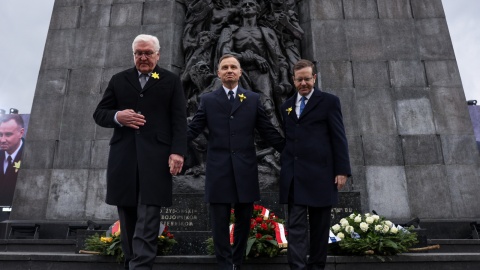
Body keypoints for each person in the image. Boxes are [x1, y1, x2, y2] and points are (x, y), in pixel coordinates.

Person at [93, 34, 187, 270]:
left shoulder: (169, 80)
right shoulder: (119, 79)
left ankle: (141, 265)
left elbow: (179, 121)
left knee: (149, 211)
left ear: (158, 54)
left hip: (156, 157)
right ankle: (131, 261)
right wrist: (118, 116)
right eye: (139, 53)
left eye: (148, 53)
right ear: (133, 54)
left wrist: (178, 152)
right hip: (124, 157)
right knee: (127, 212)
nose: (143, 57)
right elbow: (100, 113)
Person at [187, 54, 284, 269]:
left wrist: (289, 150)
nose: (229, 70)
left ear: (240, 72)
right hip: (218, 170)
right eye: (225, 67)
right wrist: (172, 148)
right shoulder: (208, 100)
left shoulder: (252, 99)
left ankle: (237, 263)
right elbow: (193, 129)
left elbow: (268, 131)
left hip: (245, 170)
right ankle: (224, 264)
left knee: (243, 221)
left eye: (233, 67)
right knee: (219, 222)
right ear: (219, 73)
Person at [279, 59, 351, 270]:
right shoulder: (286, 107)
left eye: (307, 79)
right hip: (296, 177)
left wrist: (342, 170)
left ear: (315, 78)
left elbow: (339, 137)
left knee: (320, 228)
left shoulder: (329, 101)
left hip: (322, 174)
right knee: (296, 226)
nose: (304, 83)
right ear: (293, 80)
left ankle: (317, 266)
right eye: (299, 79)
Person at [0, 114, 25, 206]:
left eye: (8, 134)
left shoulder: (32, 156)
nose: (2, 140)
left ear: (21, 133)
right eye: (0, 134)